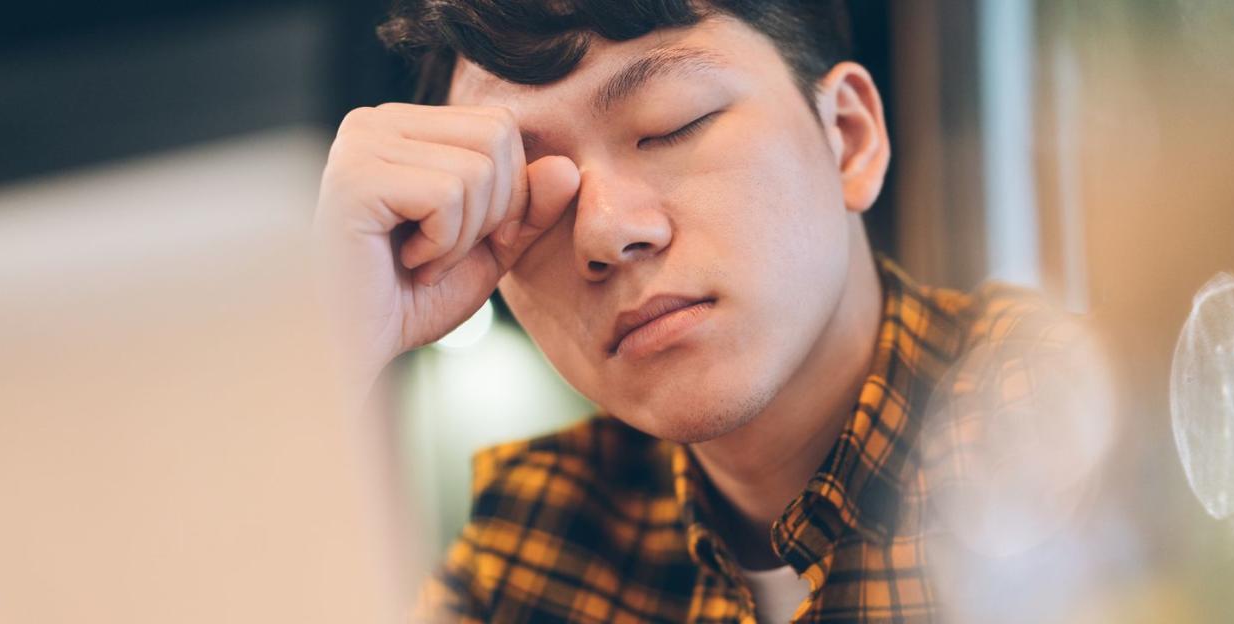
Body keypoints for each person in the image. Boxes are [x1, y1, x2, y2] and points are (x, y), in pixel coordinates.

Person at [312, 1, 1070, 621]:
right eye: (532, 191)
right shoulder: (537, 540)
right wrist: (333, 346)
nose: (605, 231)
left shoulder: (1056, 424)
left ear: (848, 137)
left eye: (671, 126)